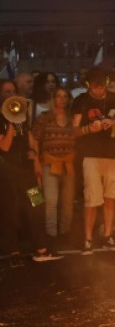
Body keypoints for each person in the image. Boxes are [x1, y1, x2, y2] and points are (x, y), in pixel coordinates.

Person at [0, 79, 63, 265]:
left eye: (12, 91)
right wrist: (10, 122)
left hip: (26, 171)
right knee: (10, 212)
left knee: (37, 205)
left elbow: (30, 138)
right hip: (8, 173)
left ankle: (41, 249)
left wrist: (35, 159)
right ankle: (14, 253)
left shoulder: (22, 113)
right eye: (6, 91)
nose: (10, 94)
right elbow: (4, 146)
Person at [72, 68, 115, 254]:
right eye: (95, 87)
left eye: (102, 86)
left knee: (111, 196)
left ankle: (108, 235)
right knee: (91, 198)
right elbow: (73, 131)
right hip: (90, 155)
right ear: (88, 84)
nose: (99, 91)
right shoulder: (81, 101)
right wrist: (90, 128)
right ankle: (88, 239)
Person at [32, 86, 76, 239]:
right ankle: (50, 235)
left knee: (67, 202)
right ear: (53, 98)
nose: (62, 99)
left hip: (69, 164)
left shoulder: (72, 118)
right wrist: (36, 161)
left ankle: (65, 233)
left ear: (69, 99)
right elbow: (34, 139)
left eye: (65, 96)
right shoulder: (45, 117)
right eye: (59, 96)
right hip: (49, 163)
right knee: (51, 201)